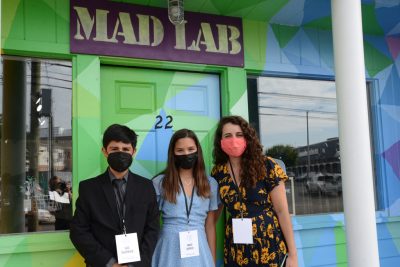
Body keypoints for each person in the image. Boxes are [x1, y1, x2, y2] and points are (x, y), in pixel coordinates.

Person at [211, 116, 298, 267]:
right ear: (221, 141)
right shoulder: (218, 173)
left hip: (268, 244)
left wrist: (293, 254)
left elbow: (282, 211)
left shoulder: (266, 165)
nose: (234, 140)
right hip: (236, 249)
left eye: (239, 135)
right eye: (228, 136)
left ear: (247, 138)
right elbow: (213, 217)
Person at [70, 124, 159, 267]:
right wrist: (109, 262)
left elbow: (153, 228)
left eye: (125, 149)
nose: (120, 153)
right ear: (105, 151)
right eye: (114, 149)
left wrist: (137, 264)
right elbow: (78, 231)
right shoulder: (89, 188)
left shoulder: (146, 187)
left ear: (133, 151)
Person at [151, 129, 219, 267]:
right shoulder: (160, 182)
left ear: (197, 151)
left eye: (190, 149)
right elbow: (152, 224)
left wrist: (212, 260)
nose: (186, 153)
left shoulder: (210, 183)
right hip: (168, 248)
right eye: (180, 150)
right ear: (173, 153)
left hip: (200, 248)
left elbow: (210, 226)